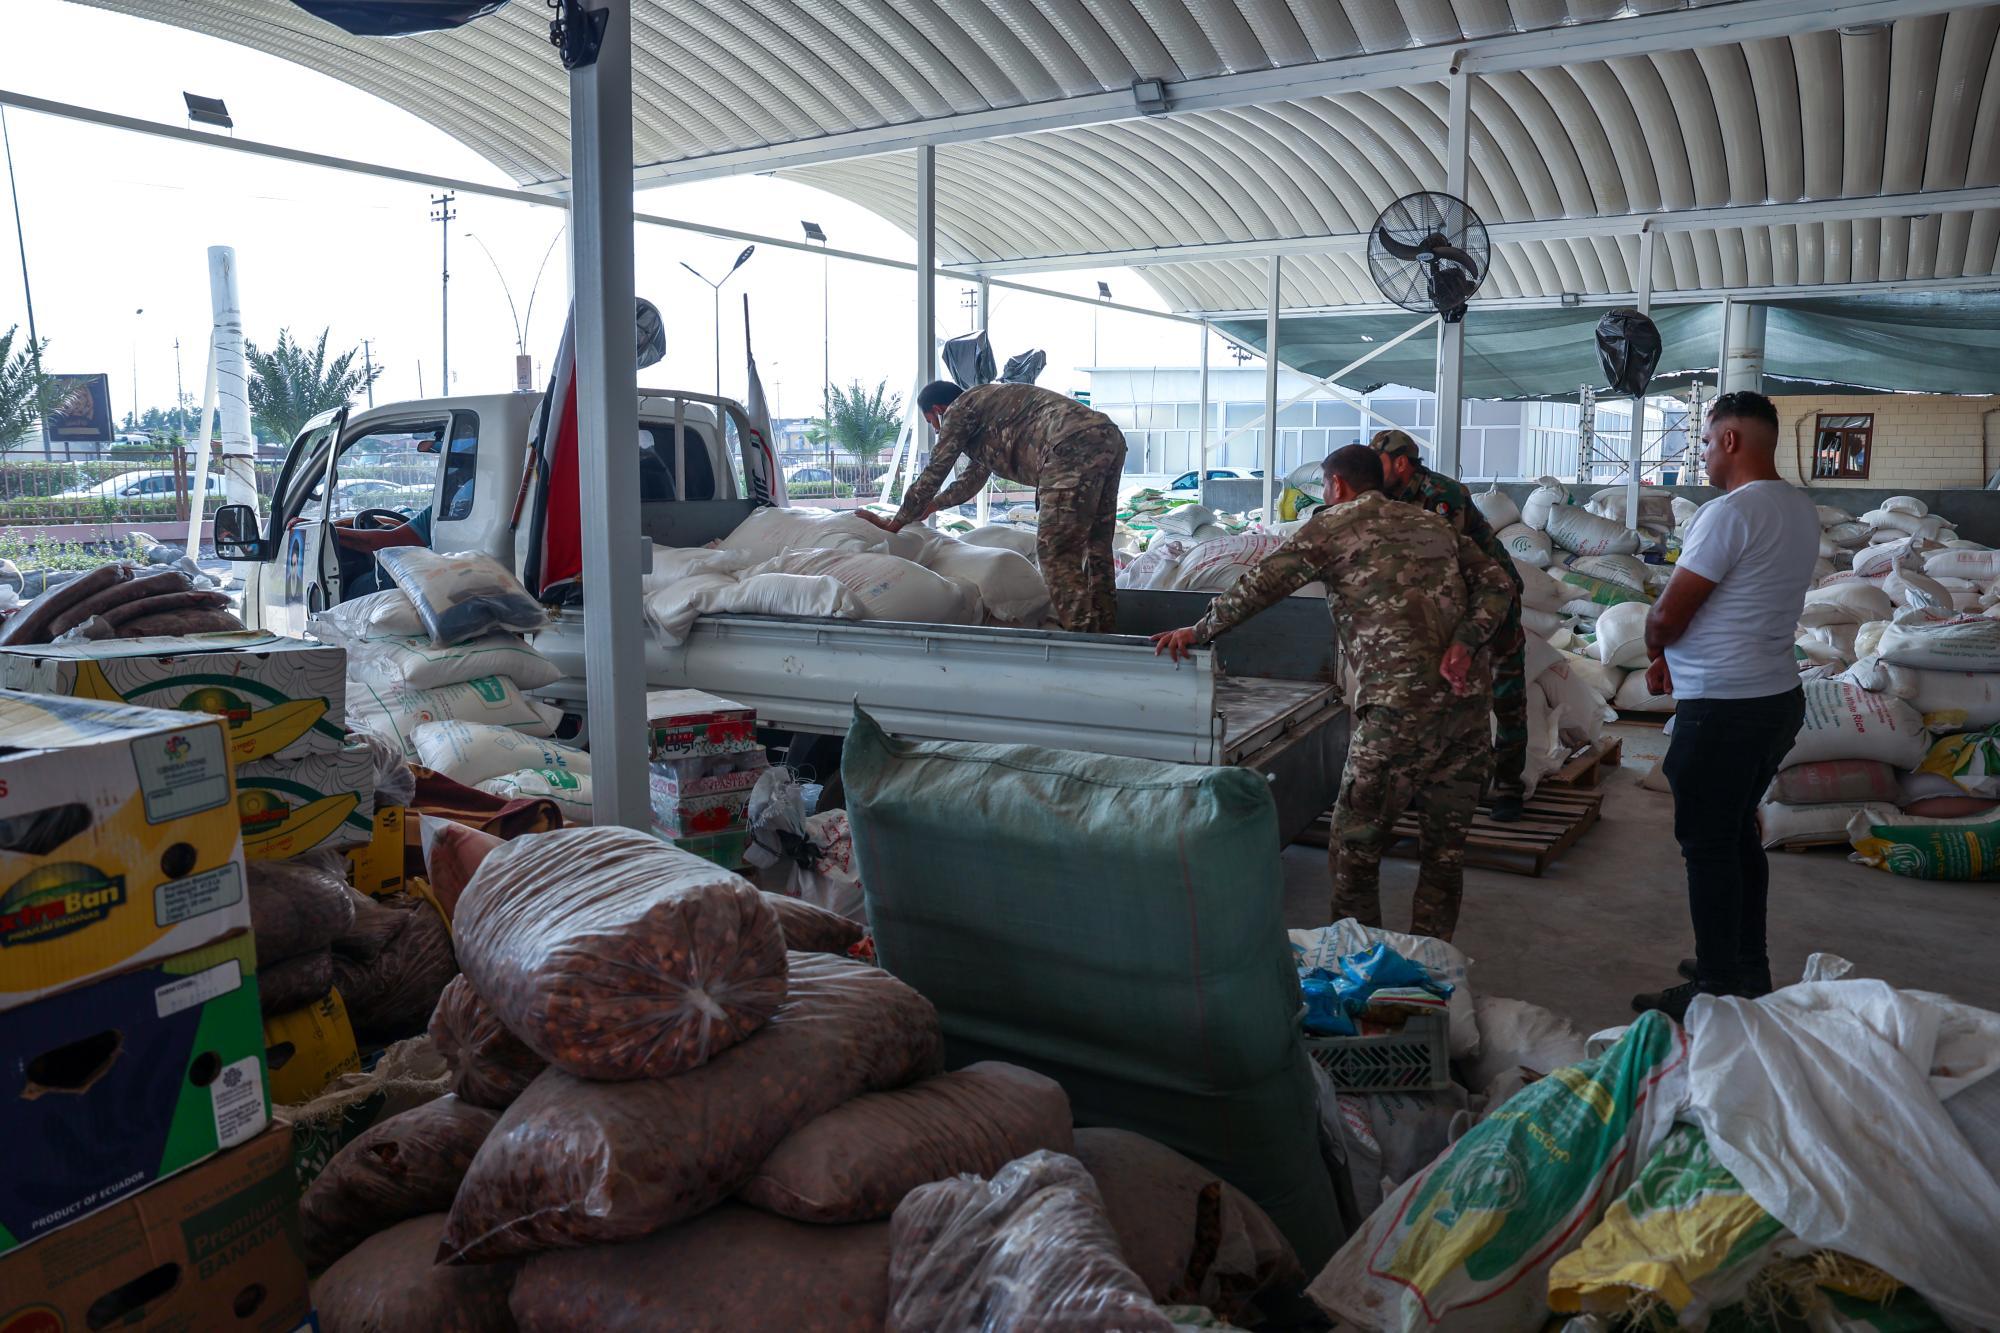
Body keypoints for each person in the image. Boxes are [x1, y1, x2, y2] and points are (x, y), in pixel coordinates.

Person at [1153, 445, 1514, 941]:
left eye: (1325, 486)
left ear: (1337, 485)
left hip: (1398, 713)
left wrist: (1199, 630)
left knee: (1354, 845)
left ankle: (1360, 957)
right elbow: (1499, 583)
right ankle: (1431, 960)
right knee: (1444, 852)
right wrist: (1466, 641)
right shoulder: (1433, 524)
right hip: (1467, 710)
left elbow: (1262, 585)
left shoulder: (1332, 525)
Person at [1633, 390, 1816, 1020]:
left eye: (1708, 442)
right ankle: (1744, 965)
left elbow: (1668, 614)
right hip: (1773, 699)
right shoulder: (1798, 507)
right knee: (1737, 834)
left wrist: (1656, 645)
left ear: (1731, 440)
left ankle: (1715, 986)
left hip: (1724, 708)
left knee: (1708, 844)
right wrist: (1672, 654)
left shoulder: (1730, 513)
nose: (1706, 454)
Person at [859, 381, 1127, 632]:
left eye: (932, 422)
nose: (938, 430)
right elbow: (972, 479)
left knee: (1056, 551)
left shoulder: (960, 409)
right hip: (1107, 436)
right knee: (1096, 544)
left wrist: (897, 522)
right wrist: (934, 505)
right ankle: (1106, 634)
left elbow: (936, 469)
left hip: (1068, 444)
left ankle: (1084, 642)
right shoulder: (988, 413)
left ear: (939, 410)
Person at [1370, 429, 1530, 823]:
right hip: (1446, 605)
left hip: (1492, 597)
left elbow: (1446, 563)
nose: (1373, 469)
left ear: (1401, 463)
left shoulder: (1443, 496)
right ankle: (1425, 785)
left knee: (1506, 694)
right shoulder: (1386, 496)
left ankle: (1508, 787)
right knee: (1431, 699)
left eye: (1379, 461)